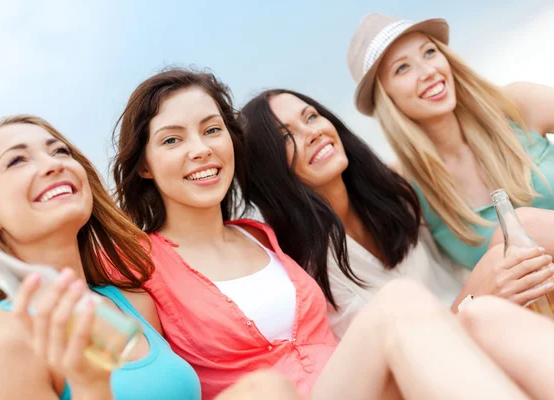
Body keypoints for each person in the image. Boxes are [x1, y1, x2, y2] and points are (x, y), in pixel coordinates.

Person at [110, 67, 554, 400]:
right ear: (144, 163)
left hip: (358, 384)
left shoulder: (264, 237)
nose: (200, 148)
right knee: (402, 303)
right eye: (172, 140)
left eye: (212, 130)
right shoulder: (140, 263)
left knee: (484, 315)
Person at [239, 89, 554, 337]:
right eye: (285, 136)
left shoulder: (393, 195)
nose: (312, 133)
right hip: (440, 369)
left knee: (519, 228)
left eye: (311, 117)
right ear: (269, 167)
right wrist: (473, 298)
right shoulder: (303, 267)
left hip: (498, 323)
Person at [0, 115, 201, 399]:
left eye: (60, 151)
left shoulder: (135, 303)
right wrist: (90, 386)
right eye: (17, 161)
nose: (53, 164)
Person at [346, 13, 554, 273]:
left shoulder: (516, 105)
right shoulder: (405, 186)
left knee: (523, 223)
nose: (428, 72)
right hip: (533, 311)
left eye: (429, 52)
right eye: (402, 68)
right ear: (385, 98)